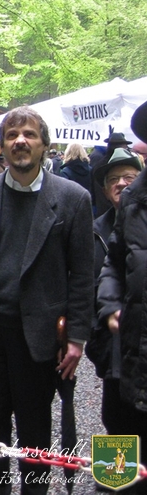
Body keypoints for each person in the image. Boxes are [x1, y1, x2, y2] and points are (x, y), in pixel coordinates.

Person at [0, 105, 93, 494]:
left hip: (39, 334)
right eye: (12, 135)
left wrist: (77, 337)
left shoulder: (73, 199)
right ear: (2, 145)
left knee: (34, 428)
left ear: (44, 144)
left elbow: (83, 275)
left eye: (29, 134)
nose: (20, 141)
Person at [98, 102, 147, 490]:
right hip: (130, 350)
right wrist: (111, 305)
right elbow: (112, 264)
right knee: (120, 442)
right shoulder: (133, 201)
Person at [85, 148, 142, 439]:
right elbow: (97, 277)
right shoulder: (93, 230)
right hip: (115, 349)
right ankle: (115, 471)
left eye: (129, 177)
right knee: (116, 426)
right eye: (113, 179)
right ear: (105, 191)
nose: (121, 184)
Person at [92, 132, 132, 218]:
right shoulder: (126, 165)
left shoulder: (99, 165)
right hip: (117, 212)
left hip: (103, 212)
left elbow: (93, 193)